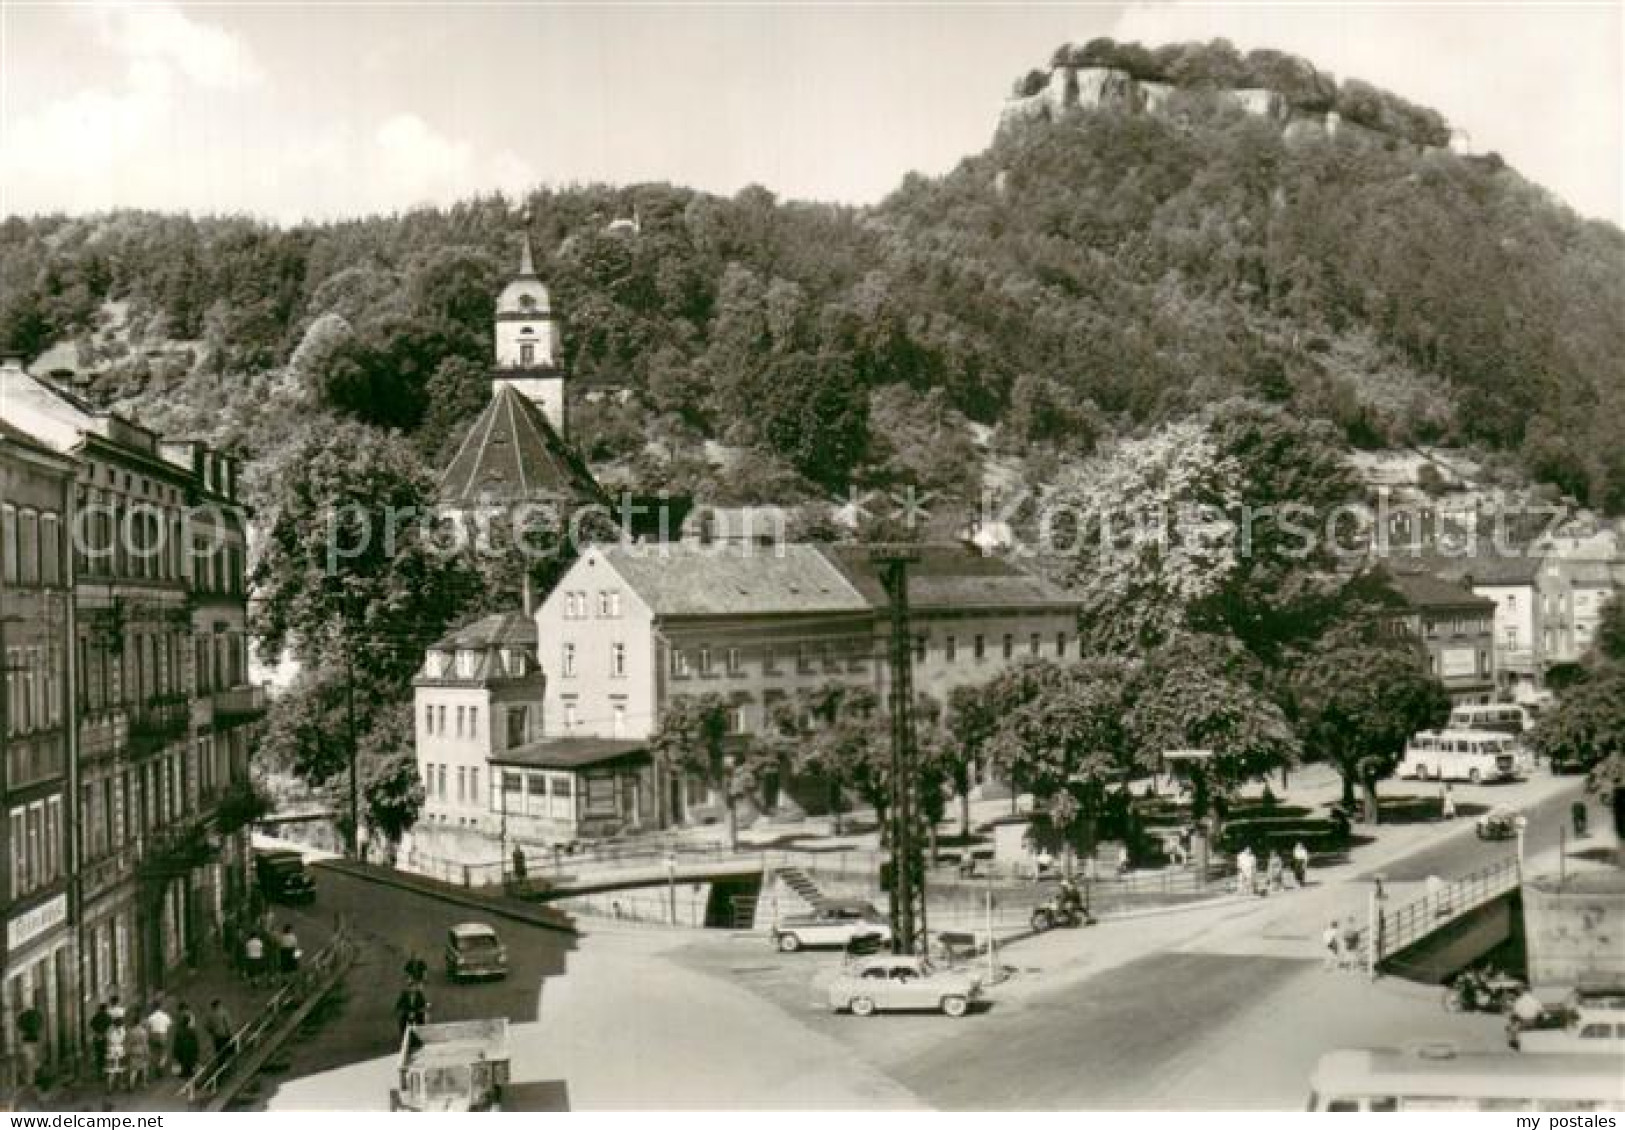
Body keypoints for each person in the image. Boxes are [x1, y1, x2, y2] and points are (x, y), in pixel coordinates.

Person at [144, 998, 172, 1077]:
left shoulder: (151, 1017)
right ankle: (160, 1066)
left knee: (154, 1053)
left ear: (153, 1007)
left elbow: (148, 1028)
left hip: (153, 1036)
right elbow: (169, 1026)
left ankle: (155, 1067)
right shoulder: (166, 1016)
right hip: (163, 1035)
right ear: (161, 1006)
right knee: (164, 1053)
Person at [172, 1005, 201, 1079]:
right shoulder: (191, 1031)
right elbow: (195, 1041)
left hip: (183, 1049)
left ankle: (185, 1074)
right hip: (190, 1049)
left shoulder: (180, 1031)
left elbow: (176, 1042)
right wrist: (197, 1050)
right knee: (190, 1063)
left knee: (184, 1062)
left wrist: (175, 1052)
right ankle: (189, 1075)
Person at [124, 1015, 150, 1089]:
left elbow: (128, 1043)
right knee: (144, 1068)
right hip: (141, 1050)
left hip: (133, 1050)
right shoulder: (143, 1031)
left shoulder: (130, 1031)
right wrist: (147, 1053)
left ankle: (131, 1084)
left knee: (133, 1069)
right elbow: (145, 1043)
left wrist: (127, 1051)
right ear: (139, 1022)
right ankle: (144, 1084)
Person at [104, 1017, 128, 1093]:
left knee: (111, 1070)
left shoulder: (109, 1031)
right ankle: (120, 1084)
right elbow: (124, 1042)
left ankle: (109, 1088)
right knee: (120, 1069)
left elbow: (107, 1041)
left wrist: (108, 1049)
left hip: (111, 1050)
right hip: (120, 1050)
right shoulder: (123, 1031)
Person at [89, 1002, 112, 1075]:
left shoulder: (95, 1017)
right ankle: (105, 1070)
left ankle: (99, 1071)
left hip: (97, 1037)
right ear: (106, 1009)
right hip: (106, 1037)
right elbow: (110, 1028)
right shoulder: (108, 1017)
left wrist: (97, 1033)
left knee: (98, 1055)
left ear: (99, 1009)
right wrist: (104, 1034)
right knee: (106, 1054)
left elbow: (91, 1026)